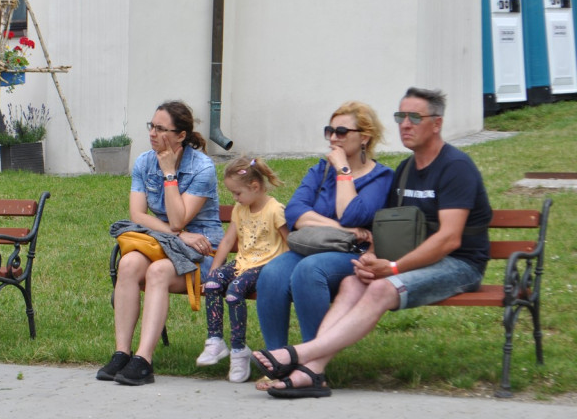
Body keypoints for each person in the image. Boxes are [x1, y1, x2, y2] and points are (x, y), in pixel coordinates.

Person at [252, 87, 492, 398]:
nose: (405, 124)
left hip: (460, 264)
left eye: (414, 117)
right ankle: (311, 372)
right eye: (400, 117)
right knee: (353, 283)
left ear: (437, 123)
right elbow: (390, 226)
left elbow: (449, 239)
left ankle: (299, 356)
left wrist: (391, 267)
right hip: (411, 258)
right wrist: (372, 258)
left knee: (380, 287)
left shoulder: (455, 167)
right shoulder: (407, 170)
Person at [96, 100, 224, 386]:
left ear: (181, 135)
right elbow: (138, 214)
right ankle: (121, 353)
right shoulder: (143, 162)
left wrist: (169, 174)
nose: (152, 133)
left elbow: (179, 219)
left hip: (202, 252)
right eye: (151, 126)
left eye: (161, 128)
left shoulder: (202, 168)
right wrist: (177, 235)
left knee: (157, 272)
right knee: (128, 263)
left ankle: (143, 360)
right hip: (167, 243)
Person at [254, 101, 394, 358]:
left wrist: (343, 171)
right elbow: (295, 211)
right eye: (329, 130)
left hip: (354, 253)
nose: (332, 137)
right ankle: (276, 360)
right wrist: (344, 228)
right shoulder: (320, 170)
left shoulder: (381, 178)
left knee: (310, 270)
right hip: (315, 246)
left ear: (364, 137)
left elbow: (353, 213)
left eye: (341, 132)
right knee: (273, 272)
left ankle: (310, 361)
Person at [196, 157, 288, 382]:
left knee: (234, 291)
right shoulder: (240, 208)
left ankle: (239, 351)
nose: (234, 198)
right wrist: (212, 273)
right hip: (242, 263)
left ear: (255, 187)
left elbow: (290, 242)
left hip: (265, 266)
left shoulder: (275, 210)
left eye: (237, 193)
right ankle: (215, 341)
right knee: (214, 283)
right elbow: (228, 242)